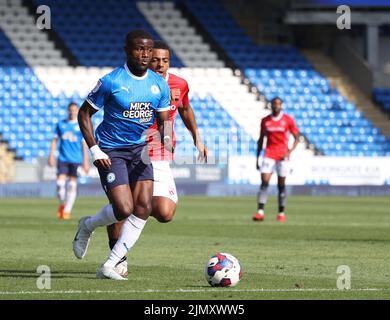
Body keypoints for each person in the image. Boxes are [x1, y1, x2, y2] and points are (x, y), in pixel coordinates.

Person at [72, 30, 172, 280]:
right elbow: (84, 114)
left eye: (148, 50)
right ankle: (87, 225)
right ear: (127, 50)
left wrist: (167, 139)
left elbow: (164, 121)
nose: (145, 55)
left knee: (143, 207)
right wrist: (95, 150)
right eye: (139, 49)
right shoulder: (111, 82)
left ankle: (110, 265)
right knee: (124, 208)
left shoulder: (159, 84)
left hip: (140, 149)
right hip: (111, 150)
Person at [106, 41, 208, 277]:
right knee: (126, 208)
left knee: (164, 212)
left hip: (160, 152)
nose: (160, 65)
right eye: (155, 60)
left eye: (165, 61)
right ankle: (118, 258)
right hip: (132, 149)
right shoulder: (132, 83)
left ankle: (113, 212)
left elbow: (185, 109)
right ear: (147, 59)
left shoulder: (179, 84)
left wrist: (197, 138)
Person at [253, 97, 299, 223]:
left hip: (282, 156)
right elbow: (261, 139)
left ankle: (281, 212)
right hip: (269, 154)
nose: (276, 106)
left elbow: (296, 137)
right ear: (271, 105)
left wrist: (289, 152)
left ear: (281, 106)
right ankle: (260, 212)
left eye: (278, 104)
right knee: (264, 182)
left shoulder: (288, 120)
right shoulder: (265, 121)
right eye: (274, 104)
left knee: (281, 185)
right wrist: (257, 158)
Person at [48, 102, 89, 220]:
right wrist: (51, 155)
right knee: (59, 184)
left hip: (76, 159)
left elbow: (83, 145)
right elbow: (55, 141)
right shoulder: (61, 124)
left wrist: (86, 162)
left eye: (74, 110)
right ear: (68, 111)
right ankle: (62, 204)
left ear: (77, 111)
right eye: (70, 110)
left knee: (72, 185)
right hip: (63, 158)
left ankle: (67, 210)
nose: (72, 112)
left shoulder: (80, 125)